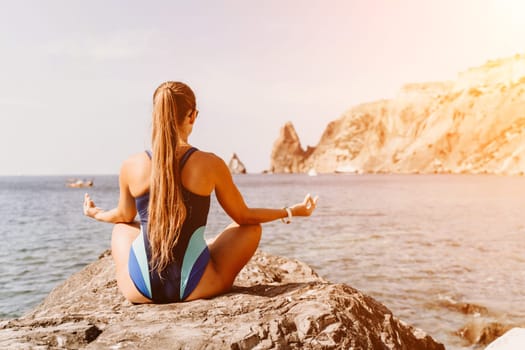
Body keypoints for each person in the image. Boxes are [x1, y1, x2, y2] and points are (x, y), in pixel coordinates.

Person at [83, 81, 318, 304]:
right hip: (196, 288)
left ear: (156, 115)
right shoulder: (210, 163)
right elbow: (244, 217)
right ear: (192, 115)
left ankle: (181, 258)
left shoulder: (131, 165)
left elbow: (123, 216)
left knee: (124, 227)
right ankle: (201, 249)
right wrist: (290, 211)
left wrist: (96, 214)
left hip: (139, 290)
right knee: (250, 228)